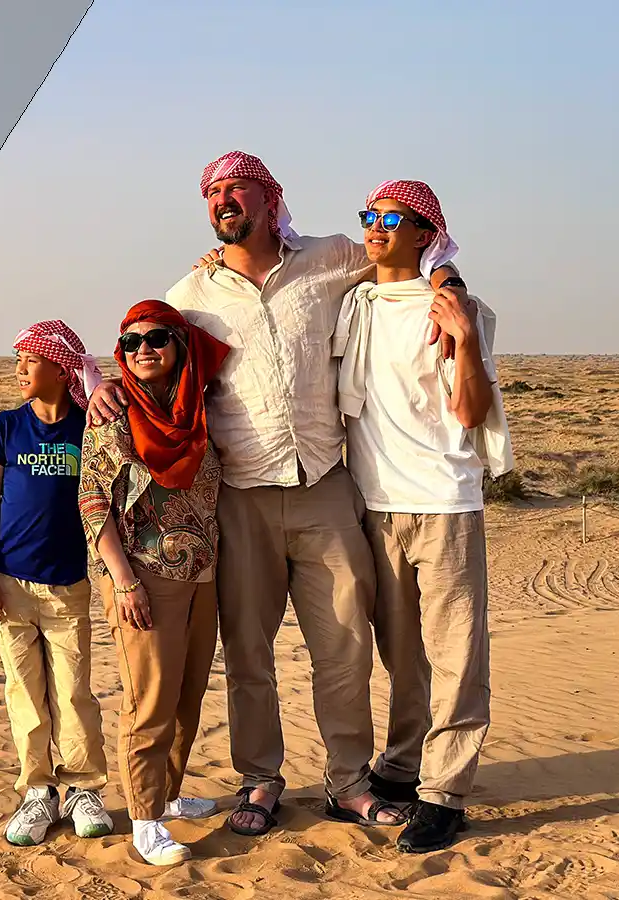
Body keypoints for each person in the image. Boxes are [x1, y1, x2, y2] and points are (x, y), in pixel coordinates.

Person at [84, 150, 476, 836]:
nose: (222, 200)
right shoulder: (192, 295)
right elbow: (138, 343)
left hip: (327, 490)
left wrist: (449, 284)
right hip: (240, 498)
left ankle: (349, 782)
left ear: (271, 198)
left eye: (236, 188)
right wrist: (102, 386)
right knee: (248, 651)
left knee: (346, 646)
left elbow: (410, 247)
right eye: (211, 193)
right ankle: (259, 780)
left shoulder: (329, 257)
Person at [333, 180, 512, 853]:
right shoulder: (356, 303)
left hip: (444, 504)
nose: (374, 227)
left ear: (423, 232)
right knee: (400, 653)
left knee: (457, 655)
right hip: (376, 504)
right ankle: (404, 767)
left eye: (390, 218)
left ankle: (446, 793)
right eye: (368, 215)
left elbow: (471, 412)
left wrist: (464, 340)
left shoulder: (460, 309)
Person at [78, 299, 232, 866]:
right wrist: (123, 581)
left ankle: (165, 797)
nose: (144, 349)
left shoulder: (200, 410)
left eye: (158, 338)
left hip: (203, 574)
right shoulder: (113, 417)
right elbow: (92, 503)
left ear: (180, 346)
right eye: (131, 342)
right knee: (149, 701)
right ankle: (144, 819)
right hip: (142, 579)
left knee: (188, 696)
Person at [0, 319, 114, 846]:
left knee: (74, 691)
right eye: (18, 362)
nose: (19, 371)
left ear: (59, 367)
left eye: (28, 362)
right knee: (26, 693)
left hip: (68, 585)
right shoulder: (7, 427)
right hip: (10, 584)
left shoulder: (88, 426)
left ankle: (83, 789)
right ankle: (38, 792)